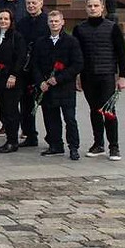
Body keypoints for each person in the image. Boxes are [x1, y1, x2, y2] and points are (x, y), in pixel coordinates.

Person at [72, 0, 125, 161]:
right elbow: (77, 55)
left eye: (96, 6)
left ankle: (114, 146)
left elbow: (121, 53)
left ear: (102, 7)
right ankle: (98, 144)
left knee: (108, 110)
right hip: (88, 75)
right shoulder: (79, 29)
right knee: (94, 110)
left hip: (106, 75)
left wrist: (122, 76)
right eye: (90, 6)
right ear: (86, 8)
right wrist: (77, 76)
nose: (93, 8)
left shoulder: (112, 27)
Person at [32, 11, 84, 160]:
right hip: (47, 88)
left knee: (69, 119)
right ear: (47, 23)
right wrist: (40, 81)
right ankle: (55, 145)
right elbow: (35, 64)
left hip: (65, 87)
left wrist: (59, 78)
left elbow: (77, 64)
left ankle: (73, 147)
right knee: (50, 118)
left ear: (62, 22)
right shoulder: (41, 42)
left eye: (56, 21)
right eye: (51, 21)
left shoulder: (71, 41)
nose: (53, 24)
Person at [0, 9, 27, 154]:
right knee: (3, 109)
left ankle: (12, 141)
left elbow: (21, 57)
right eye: (0, 19)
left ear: (11, 21)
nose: (3, 21)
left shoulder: (17, 37)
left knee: (11, 110)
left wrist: (14, 75)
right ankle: (8, 139)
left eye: (6, 19)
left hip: (12, 79)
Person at [16, 0, 49, 148]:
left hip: (43, 69)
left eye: (34, 3)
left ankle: (52, 138)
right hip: (26, 68)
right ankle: (30, 135)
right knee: (26, 104)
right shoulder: (22, 23)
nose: (31, 6)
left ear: (41, 3)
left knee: (48, 105)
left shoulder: (48, 21)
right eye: (28, 3)